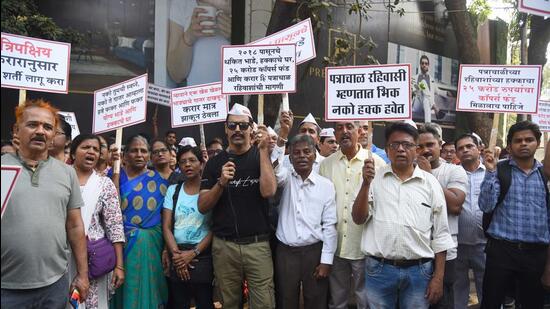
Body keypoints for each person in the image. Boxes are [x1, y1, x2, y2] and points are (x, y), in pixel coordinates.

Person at [352, 122, 455, 309]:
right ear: (387, 150)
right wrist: (365, 185)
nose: (400, 149)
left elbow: (441, 234)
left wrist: (438, 277)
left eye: (407, 145)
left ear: (416, 150)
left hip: (419, 271)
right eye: (394, 145)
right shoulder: (372, 179)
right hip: (379, 271)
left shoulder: (430, 183)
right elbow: (358, 219)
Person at [1, 99, 89, 307]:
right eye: (33, 125)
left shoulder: (67, 173)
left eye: (48, 127)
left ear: (52, 137)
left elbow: (75, 226)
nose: (40, 131)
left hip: (54, 285)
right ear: (16, 130)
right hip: (6, 288)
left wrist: (82, 275)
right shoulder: (2, 170)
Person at [198, 103, 277, 308]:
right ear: (225, 129)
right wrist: (221, 183)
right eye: (232, 126)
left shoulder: (260, 156)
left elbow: (268, 191)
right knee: (228, 303)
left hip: (257, 245)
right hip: (225, 247)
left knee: (264, 303)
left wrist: (263, 152)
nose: (238, 131)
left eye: (243, 126)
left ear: (252, 128)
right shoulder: (215, 164)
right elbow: (203, 206)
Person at [478, 121, 549, 309]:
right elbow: (486, 206)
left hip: (536, 255)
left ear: (538, 143)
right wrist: (490, 171)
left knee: (532, 303)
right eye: (518, 140)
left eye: (529, 140)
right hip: (501, 252)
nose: (524, 143)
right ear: (510, 146)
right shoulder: (499, 169)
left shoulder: (546, 175)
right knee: (491, 302)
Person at [319, 121, 386, 309]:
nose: (344, 131)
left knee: (365, 300)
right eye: (339, 128)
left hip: (365, 245)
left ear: (359, 131)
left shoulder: (376, 163)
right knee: (337, 300)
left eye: (349, 127)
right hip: (336, 245)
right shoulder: (326, 165)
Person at [274, 134, 338, 309]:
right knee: (286, 300)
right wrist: (280, 142)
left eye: (306, 152)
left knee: (316, 300)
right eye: (296, 153)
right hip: (286, 253)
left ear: (314, 155)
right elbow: (274, 169)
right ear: (290, 157)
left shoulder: (326, 186)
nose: (302, 156)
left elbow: (330, 226)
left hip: (314, 252)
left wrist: (326, 260)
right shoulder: (284, 179)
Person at [110, 135, 169, 308]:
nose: (139, 154)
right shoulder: (113, 176)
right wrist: (114, 173)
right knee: (122, 287)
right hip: (119, 246)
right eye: (134, 150)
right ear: (125, 154)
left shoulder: (160, 183)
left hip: (151, 245)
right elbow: (110, 209)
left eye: (143, 151)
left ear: (149, 155)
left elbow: (166, 220)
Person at [68, 134, 125, 308]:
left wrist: (119, 266)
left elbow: (114, 225)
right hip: (61, 258)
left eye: (95, 149)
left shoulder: (104, 184)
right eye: (85, 147)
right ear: (72, 153)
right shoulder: (60, 180)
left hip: (93, 260)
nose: (91, 151)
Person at [416, 123, 467, 309]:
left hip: (445, 253)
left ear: (440, 144)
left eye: (430, 145)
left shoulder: (454, 171)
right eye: (419, 146)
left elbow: (455, 205)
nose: (425, 150)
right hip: (416, 251)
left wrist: (429, 176)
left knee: (441, 302)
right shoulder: (408, 171)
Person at [163, 146, 213, 309]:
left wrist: (193, 253)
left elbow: (214, 228)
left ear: (201, 163)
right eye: (183, 162)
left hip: (202, 255)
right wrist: (177, 257)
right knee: (179, 303)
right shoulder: (173, 190)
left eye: (192, 160)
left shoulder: (210, 191)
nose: (187, 165)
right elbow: (166, 226)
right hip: (177, 252)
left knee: (205, 302)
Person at [453, 134, 487, 308]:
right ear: (456, 153)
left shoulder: (491, 171)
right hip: (457, 244)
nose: (465, 150)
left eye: (469, 146)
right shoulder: (452, 174)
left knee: (487, 288)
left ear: (479, 148)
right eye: (461, 148)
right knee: (458, 288)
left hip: (485, 244)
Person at [167, 0, 231, 86]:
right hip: (197, 97)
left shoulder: (244, 5)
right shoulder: (181, 3)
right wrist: (189, 36)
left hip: (236, 97)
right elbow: (176, 75)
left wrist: (237, 36)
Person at [412, 55, 447, 123]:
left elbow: (437, 91)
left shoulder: (431, 79)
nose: (424, 65)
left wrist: (446, 93)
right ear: (420, 65)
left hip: (427, 105)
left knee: (426, 100)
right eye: (422, 63)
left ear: (428, 65)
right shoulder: (414, 78)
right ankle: (435, 108)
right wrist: (418, 88)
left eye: (426, 63)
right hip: (417, 105)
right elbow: (413, 91)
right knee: (423, 83)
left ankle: (428, 124)